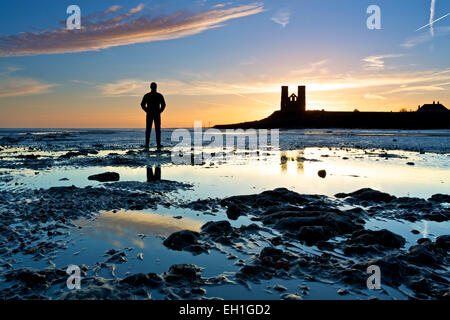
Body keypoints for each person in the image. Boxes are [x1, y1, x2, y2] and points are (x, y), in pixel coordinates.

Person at [141, 82, 166, 149]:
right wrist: (147, 111)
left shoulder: (157, 95)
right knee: (152, 130)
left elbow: (163, 104)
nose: (154, 88)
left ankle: (151, 144)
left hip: (153, 114)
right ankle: (151, 145)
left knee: (153, 130)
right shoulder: (152, 95)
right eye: (153, 87)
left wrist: (160, 111)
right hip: (152, 114)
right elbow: (142, 104)